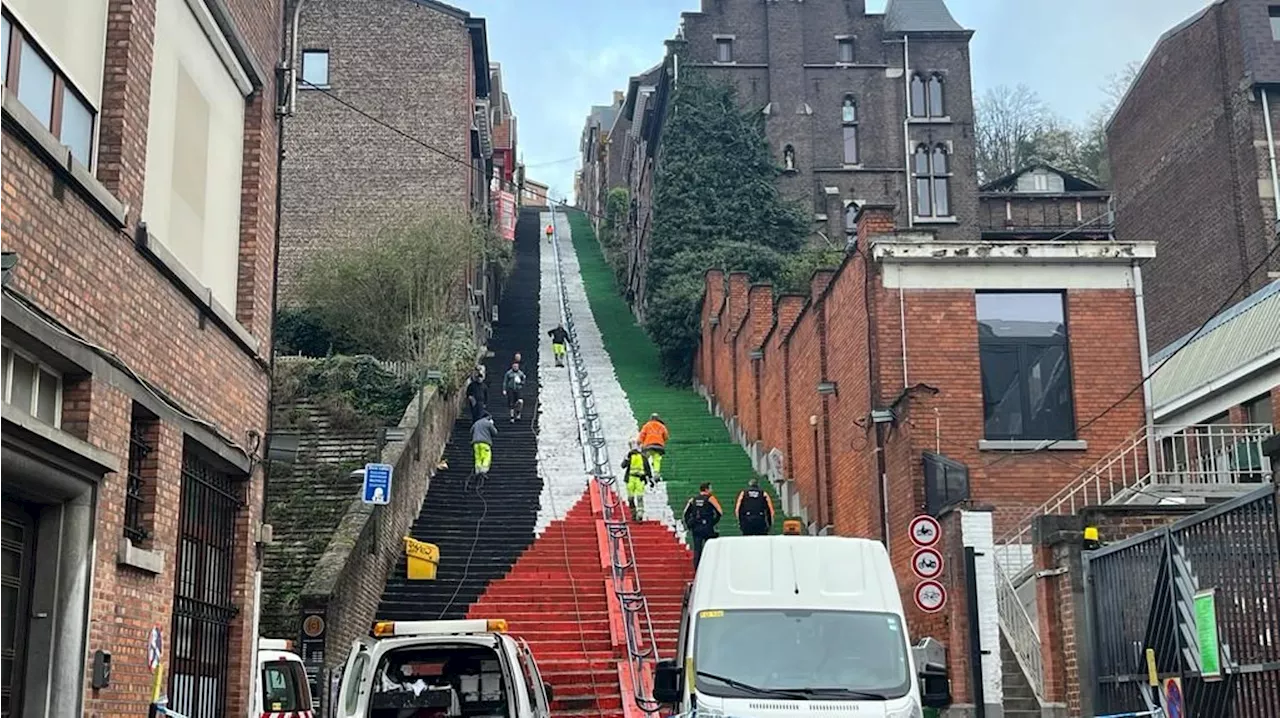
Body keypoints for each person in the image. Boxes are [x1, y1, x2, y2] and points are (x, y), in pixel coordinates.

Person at [682, 483, 723, 569]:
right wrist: (713, 522)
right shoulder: (710, 498)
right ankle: (711, 567)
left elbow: (685, 513)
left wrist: (689, 524)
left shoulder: (693, 500)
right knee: (711, 548)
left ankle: (697, 570)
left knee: (697, 550)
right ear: (706, 489)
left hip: (696, 527)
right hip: (707, 527)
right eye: (710, 488)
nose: (712, 490)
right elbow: (720, 511)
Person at [621, 441, 653, 521]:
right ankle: (633, 512)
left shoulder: (643, 457)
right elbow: (623, 465)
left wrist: (650, 478)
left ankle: (640, 513)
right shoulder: (629, 455)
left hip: (640, 479)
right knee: (630, 498)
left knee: (639, 497)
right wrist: (627, 457)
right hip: (630, 479)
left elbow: (647, 468)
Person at [637, 413, 669, 479]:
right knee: (656, 459)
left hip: (648, 445)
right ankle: (656, 473)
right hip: (658, 446)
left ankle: (642, 470)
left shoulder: (647, 425)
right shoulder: (662, 426)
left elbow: (642, 434)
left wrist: (639, 442)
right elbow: (666, 436)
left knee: (645, 458)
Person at [471, 411, 497, 476]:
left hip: (476, 443)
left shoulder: (476, 423)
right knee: (486, 456)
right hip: (485, 443)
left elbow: (471, 431)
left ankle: (477, 470)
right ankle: (483, 470)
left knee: (478, 457)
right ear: (488, 417)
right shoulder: (488, 423)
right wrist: (492, 425)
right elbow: (495, 432)